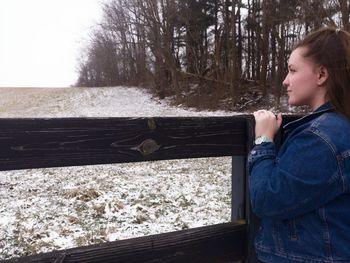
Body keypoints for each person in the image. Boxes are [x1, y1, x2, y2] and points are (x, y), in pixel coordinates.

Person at [248, 27, 350, 263]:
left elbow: (266, 200)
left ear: (321, 75)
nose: (285, 81)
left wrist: (263, 140)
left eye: (293, 70)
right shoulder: (338, 126)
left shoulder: (322, 139)